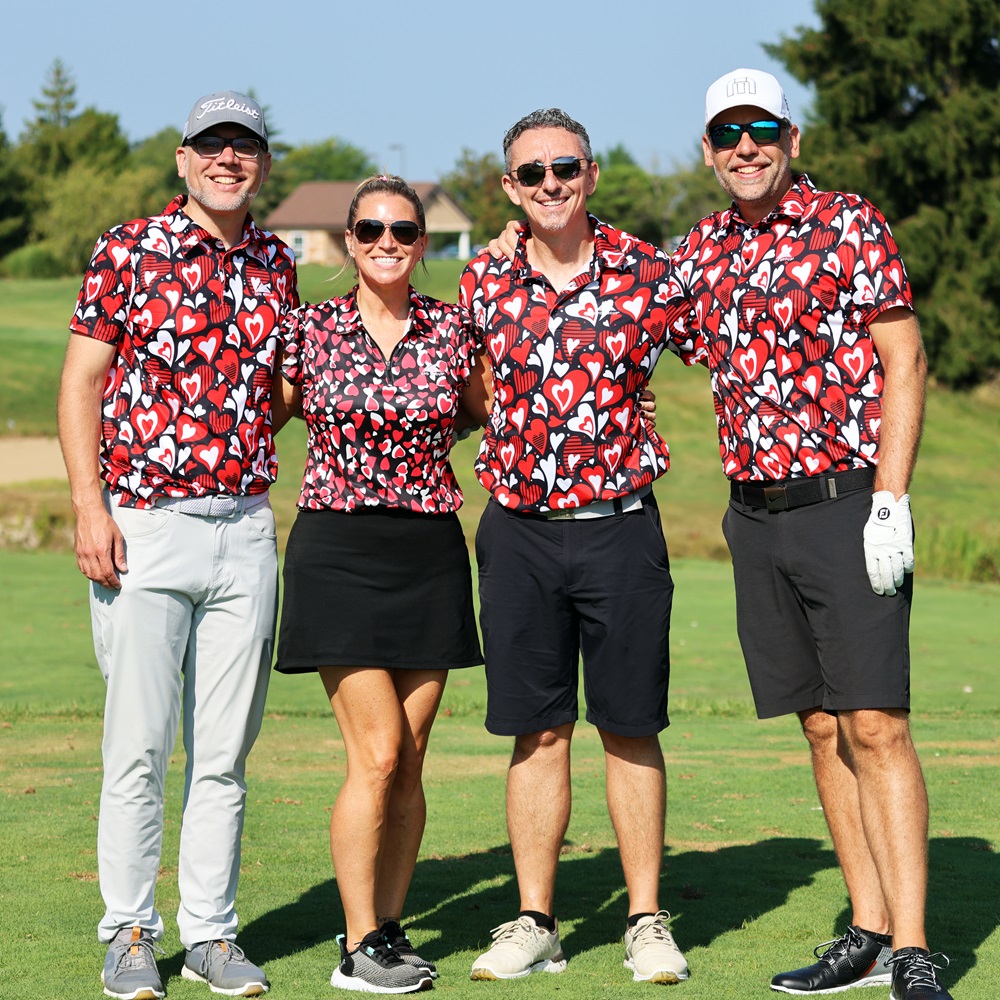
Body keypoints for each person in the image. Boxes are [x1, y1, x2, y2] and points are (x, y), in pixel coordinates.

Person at [663, 69, 950, 1000]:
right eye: (726, 133)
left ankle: (912, 947)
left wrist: (891, 498)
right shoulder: (701, 250)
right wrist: (518, 234)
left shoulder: (849, 222)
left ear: (792, 138)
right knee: (822, 726)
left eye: (761, 129)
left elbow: (903, 353)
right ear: (707, 151)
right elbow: (616, 292)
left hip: (846, 502)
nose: (744, 147)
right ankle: (865, 930)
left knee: (877, 723)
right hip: (755, 516)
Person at [57, 90, 298, 999]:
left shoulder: (276, 262)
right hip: (146, 523)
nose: (228, 160)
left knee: (225, 753)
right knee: (139, 747)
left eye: (244, 148)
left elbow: (276, 389)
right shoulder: (129, 248)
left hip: (244, 528)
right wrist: (92, 507)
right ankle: (127, 933)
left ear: (263, 164)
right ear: (183, 157)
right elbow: (82, 382)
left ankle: (211, 934)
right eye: (212, 145)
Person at [459, 109, 689, 986]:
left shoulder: (649, 273)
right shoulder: (482, 278)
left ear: (590, 174)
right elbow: (468, 391)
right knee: (537, 733)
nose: (550, 184)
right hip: (517, 533)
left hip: (621, 530)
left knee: (630, 729)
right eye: (531, 173)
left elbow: (731, 353)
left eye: (565, 168)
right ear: (509, 187)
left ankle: (644, 920)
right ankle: (534, 921)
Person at [272, 175, 489, 993]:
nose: (387, 242)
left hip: (429, 553)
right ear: (347, 241)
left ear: (422, 241)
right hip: (338, 552)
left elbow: (490, 412)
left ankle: (389, 930)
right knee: (378, 750)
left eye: (403, 229)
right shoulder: (309, 331)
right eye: (370, 230)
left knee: (412, 757)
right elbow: (260, 417)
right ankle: (358, 944)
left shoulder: (453, 331)